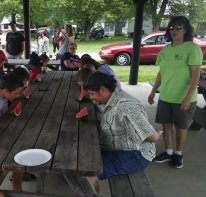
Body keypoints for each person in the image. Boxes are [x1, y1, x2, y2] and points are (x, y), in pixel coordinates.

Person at [83, 72, 162, 193]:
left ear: (102, 90)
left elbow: (150, 136)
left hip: (137, 154)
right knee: (84, 157)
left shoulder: (125, 107)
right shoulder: (113, 98)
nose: (92, 98)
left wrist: (157, 135)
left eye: (92, 94)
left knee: (89, 172)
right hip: (119, 147)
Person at [148, 16, 202, 169]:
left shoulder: (193, 49)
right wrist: (153, 91)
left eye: (178, 27)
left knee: (181, 128)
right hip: (165, 96)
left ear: (186, 30)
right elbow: (161, 73)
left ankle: (178, 154)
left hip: (183, 98)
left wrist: (187, 98)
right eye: (171, 27)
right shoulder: (166, 49)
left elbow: (196, 76)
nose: (174, 30)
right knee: (166, 125)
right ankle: (169, 152)